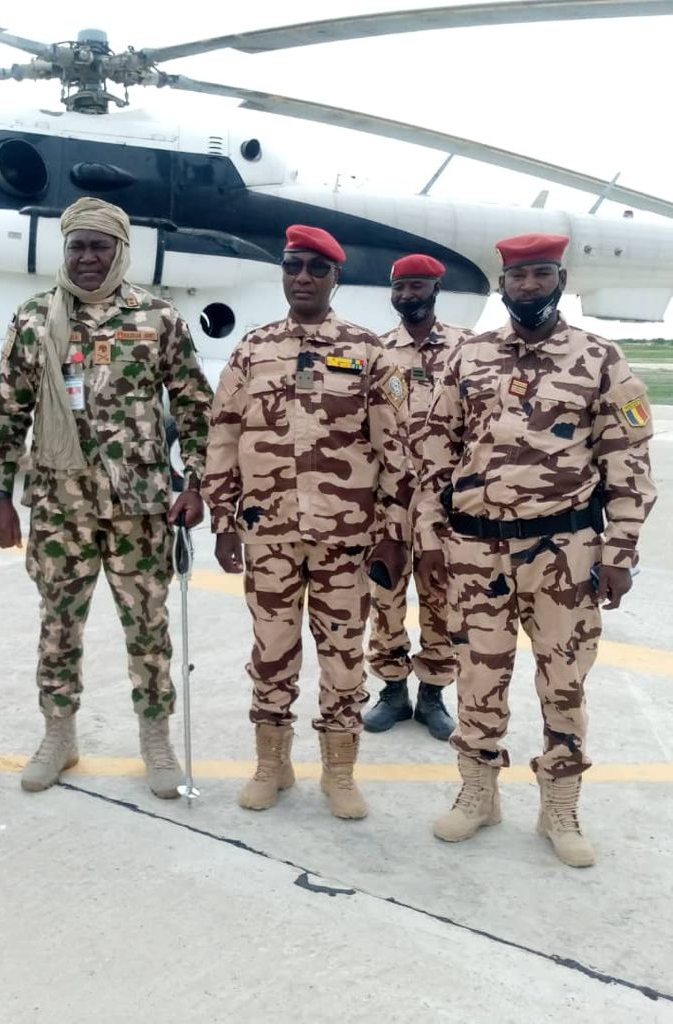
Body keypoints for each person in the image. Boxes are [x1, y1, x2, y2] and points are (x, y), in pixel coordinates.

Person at [415, 233, 656, 867]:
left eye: (541, 274)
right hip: (476, 550)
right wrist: (430, 536)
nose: (528, 285)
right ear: (503, 284)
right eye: (518, 276)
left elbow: (628, 462)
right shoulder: (469, 357)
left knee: (564, 679)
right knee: (477, 674)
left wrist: (620, 552)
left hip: (564, 551)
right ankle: (478, 793)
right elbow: (436, 451)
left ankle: (560, 806)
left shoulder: (600, 358)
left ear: (561, 279)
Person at [0, 197, 213, 798]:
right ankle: (59, 736)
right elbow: (8, 412)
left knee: (148, 627)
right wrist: (0, 493)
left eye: (99, 246)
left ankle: (156, 740)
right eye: (77, 246)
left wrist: (195, 484)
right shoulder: (34, 318)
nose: (87, 257)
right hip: (60, 507)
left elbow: (196, 407)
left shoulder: (158, 318)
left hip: (141, 508)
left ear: (121, 250)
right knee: (58, 625)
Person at [202, 225, 410, 818]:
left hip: (346, 539)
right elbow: (224, 436)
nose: (302, 277)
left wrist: (394, 534)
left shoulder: (370, 352)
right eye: (293, 265)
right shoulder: (253, 349)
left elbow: (395, 450)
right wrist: (223, 520)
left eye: (317, 268)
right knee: (271, 649)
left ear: (335, 277)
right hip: (268, 534)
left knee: (344, 654)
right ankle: (272, 763)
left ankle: (339, 771)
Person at [364, 255, 472, 741]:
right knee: (384, 595)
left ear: (436, 289)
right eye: (400, 286)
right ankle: (392, 691)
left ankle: (432, 694)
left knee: (441, 597)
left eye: (417, 285)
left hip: (446, 502)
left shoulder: (467, 349)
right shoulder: (377, 350)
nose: (408, 294)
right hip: (386, 500)